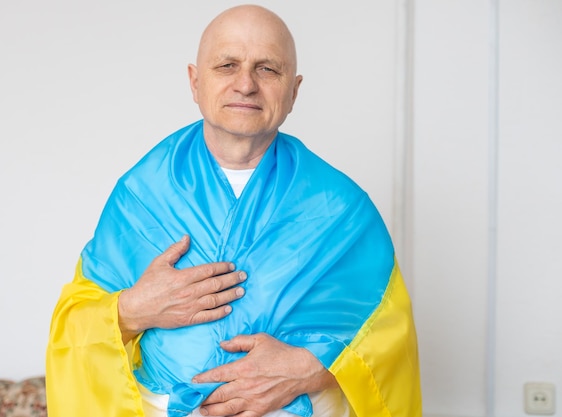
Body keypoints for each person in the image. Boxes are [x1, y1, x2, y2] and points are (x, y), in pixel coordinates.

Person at [46, 4, 421, 417]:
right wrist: (132, 309)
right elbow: (73, 323)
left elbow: (389, 338)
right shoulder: (140, 194)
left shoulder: (342, 208)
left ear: (294, 91)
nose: (246, 84)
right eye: (227, 65)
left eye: (267, 69)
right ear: (194, 81)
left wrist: (312, 368)